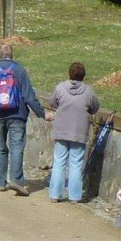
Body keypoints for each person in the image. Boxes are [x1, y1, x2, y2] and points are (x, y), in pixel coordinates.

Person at [0, 49, 46, 194]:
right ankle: (16, 180)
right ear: (12, 56)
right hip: (17, 115)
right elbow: (29, 96)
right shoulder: (20, 70)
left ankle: (0, 182)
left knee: (0, 148)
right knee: (16, 147)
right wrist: (42, 113)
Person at [47, 61, 101, 203]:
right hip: (79, 131)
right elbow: (95, 107)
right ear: (83, 76)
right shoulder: (88, 91)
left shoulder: (60, 88)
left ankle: (54, 195)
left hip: (61, 130)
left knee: (59, 162)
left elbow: (52, 102)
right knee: (76, 164)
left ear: (68, 73)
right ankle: (74, 196)